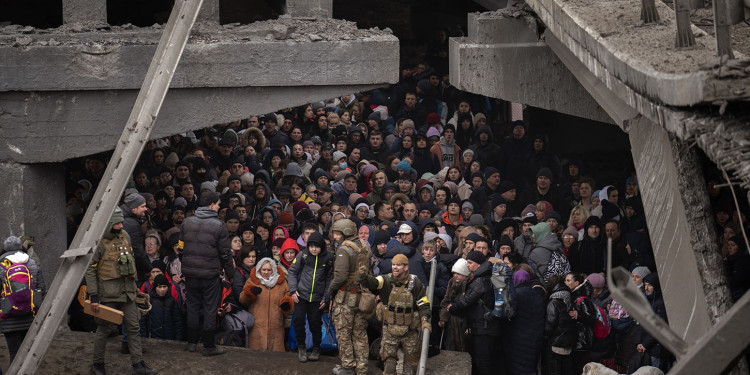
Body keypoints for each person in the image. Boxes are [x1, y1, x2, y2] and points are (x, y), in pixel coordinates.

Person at [86, 207, 157, 375]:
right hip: (108, 294)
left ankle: (138, 365)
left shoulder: (125, 236)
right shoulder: (99, 242)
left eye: (121, 222)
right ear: (109, 223)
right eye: (117, 223)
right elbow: (90, 269)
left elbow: (130, 261)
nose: (121, 225)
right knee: (104, 329)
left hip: (128, 292)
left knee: (134, 327)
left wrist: (135, 287)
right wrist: (94, 296)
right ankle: (98, 366)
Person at [179, 192, 234, 356]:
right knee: (210, 309)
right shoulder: (219, 225)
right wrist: (230, 274)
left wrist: (187, 265)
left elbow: (181, 248)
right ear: (211, 205)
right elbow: (225, 254)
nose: (219, 207)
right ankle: (209, 346)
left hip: (190, 274)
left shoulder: (186, 222)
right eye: (217, 204)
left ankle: (192, 343)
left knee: (192, 307)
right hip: (210, 275)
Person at [360, 254, 432, 375]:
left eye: (398, 265)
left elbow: (423, 303)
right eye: (393, 265)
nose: (395, 267)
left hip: (409, 330)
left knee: (413, 363)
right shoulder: (385, 280)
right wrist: (363, 277)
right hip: (390, 329)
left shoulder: (415, 283)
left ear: (406, 267)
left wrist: (424, 320)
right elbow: (372, 283)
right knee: (388, 362)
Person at [328, 219, 372, 375]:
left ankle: (347, 366)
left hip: (346, 297)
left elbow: (340, 277)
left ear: (345, 233)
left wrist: (329, 291)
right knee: (359, 333)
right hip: (363, 296)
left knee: (343, 332)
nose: (334, 237)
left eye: (337, 233)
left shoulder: (344, 250)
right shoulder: (364, 246)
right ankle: (362, 367)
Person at [448, 251, 502, 375]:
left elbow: (467, 301)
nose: (467, 265)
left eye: (470, 263)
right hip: (485, 326)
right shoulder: (483, 277)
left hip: (484, 327)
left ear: (478, 265)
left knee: (483, 361)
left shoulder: (480, 281)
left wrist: (452, 308)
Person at [288, 232, 334, 362]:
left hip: (317, 298)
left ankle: (316, 348)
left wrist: (326, 297)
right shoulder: (303, 255)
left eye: (317, 246)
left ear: (322, 247)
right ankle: (301, 347)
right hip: (301, 296)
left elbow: (330, 279)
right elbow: (292, 272)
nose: (314, 249)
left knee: (315, 323)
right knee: (298, 321)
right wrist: (293, 290)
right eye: (311, 246)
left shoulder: (328, 258)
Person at [0, 236, 45, 363]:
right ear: (21, 247)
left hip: (9, 318)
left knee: (14, 355)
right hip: (30, 316)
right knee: (27, 356)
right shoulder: (32, 264)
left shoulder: (1, 266)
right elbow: (42, 289)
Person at [238, 257, 295, 351]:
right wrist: (250, 292)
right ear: (260, 269)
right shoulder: (252, 281)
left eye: (269, 270)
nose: (266, 272)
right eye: (264, 269)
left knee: (276, 358)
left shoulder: (282, 283)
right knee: (256, 357)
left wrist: (287, 303)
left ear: (273, 270)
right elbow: (242, 299)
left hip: (276, 326)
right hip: (257, 326)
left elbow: (288, 296)